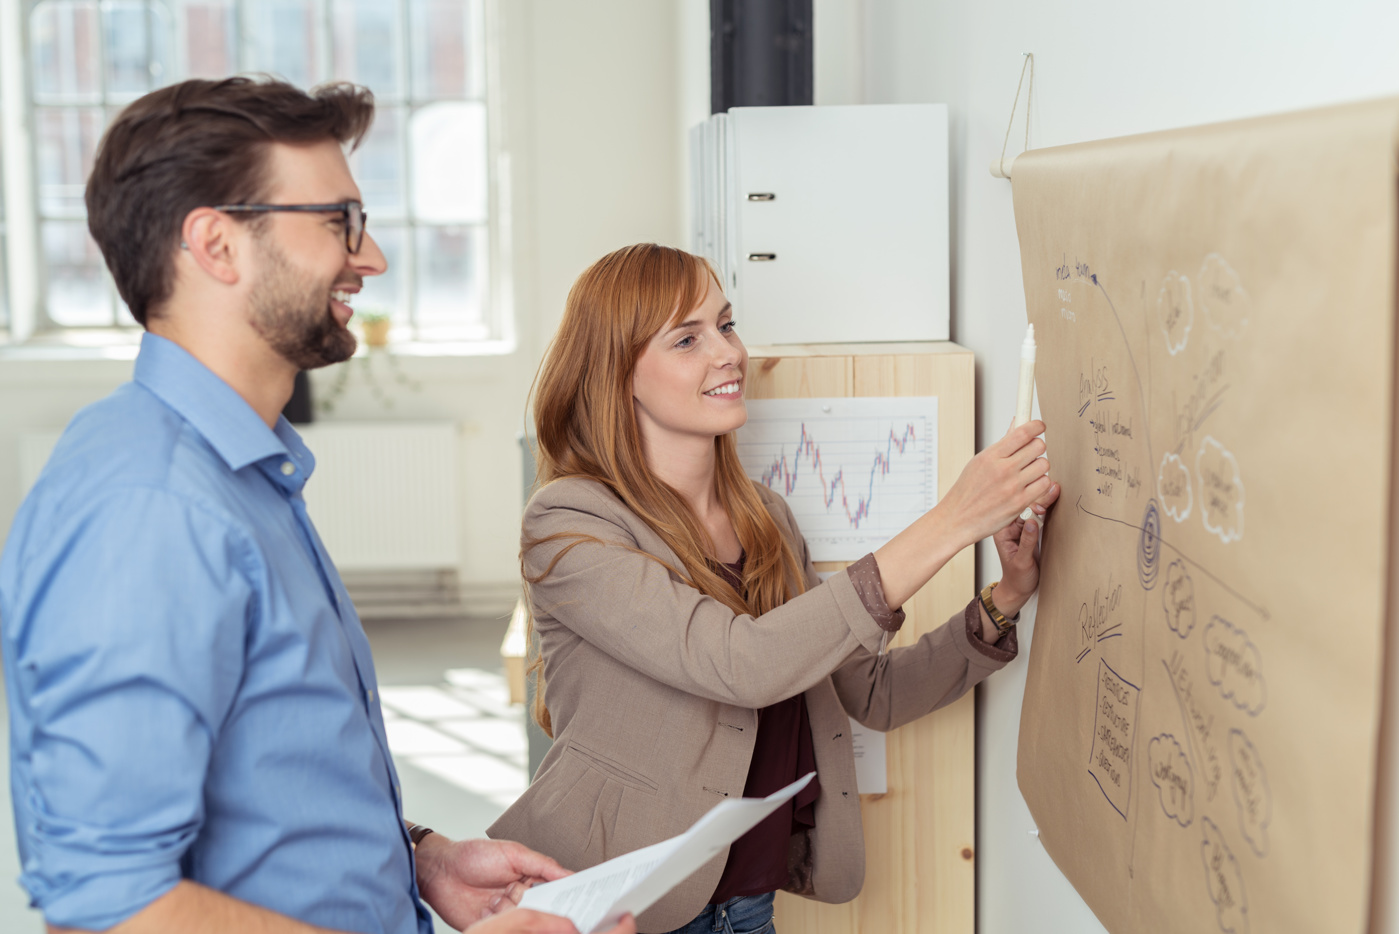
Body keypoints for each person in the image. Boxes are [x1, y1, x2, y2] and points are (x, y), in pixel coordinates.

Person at [0, 76, 632, 934]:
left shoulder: (239, 474)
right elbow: (113, 904)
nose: (369, 258)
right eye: (339, 222)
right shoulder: (150, 510)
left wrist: (415, 857)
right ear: (217, 245)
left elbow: (270, 771)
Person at [489, 244, 1061, 934]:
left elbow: (869, 694)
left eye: (725, 325)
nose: (727, 353)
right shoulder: (569, 522)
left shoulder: (766, 519)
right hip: (617, 905)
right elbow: (742, 665)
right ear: (617, 373)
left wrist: (1002, 602)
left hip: (745, 903)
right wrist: (952, 520)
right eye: (686, 338)